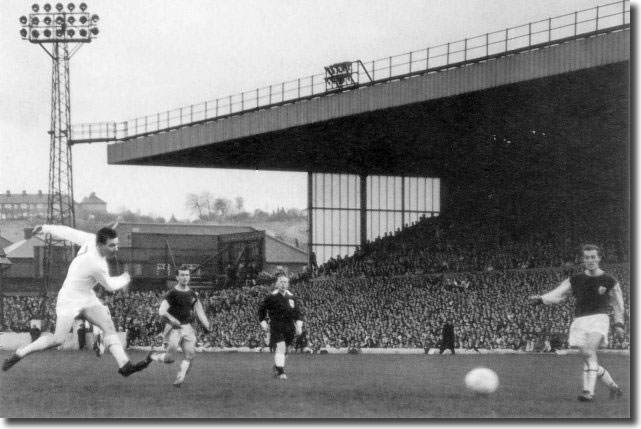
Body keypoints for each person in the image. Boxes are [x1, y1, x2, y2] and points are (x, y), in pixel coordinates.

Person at [2, 224, 152, 377]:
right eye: (112, 245)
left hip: (86, 295)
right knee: (58, 339)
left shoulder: (92, 240)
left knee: (107, 324)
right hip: (69, 298)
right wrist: (125, 278)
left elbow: (69, 233)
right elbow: (109, 286)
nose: (116, 249)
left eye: (117, 244)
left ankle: (124, 365)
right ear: (100, 245)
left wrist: (45, 227)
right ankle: (21, 353)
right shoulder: (96, 264)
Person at [528, 244, 625, 402]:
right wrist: (541, 299)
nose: (590, 260)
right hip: (579, 321)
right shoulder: (575, 279)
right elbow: (558, 294)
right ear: (583, 259)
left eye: (593, 257)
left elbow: (617, 304)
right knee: (589, 358)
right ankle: (613, 387)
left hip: (599, 319)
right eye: (587, 257)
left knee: (588, 352)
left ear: (599, 258)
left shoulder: (609, 280)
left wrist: (619, 324)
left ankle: (588, 392)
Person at [148, 265, 211, 387]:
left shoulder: (193, 293)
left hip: (187, 327)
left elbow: (199, 311)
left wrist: (206, 325)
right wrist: (172, 320)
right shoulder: (172, 293)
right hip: (173, 329)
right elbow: (161, 311)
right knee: (169, 359)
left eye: (187, 275)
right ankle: (153, 356)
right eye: (182, 275)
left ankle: (179, 379)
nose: (184, 277)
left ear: (189, 277)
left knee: (190, 354)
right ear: (177, 277)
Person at [258, 274, 304, 379]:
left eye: (285, 282)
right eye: (281, 282)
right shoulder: (271, 297)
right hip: (276, 325)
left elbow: (298, 313)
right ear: (277, 284)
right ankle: (281, 372)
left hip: (289, 326)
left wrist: (299, 325)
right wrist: (263, 322)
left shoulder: (291, 297)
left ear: (288, 284)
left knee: (286, 350)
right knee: (281, 347)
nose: (283, 284)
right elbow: (261, 310)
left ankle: (277, 367)